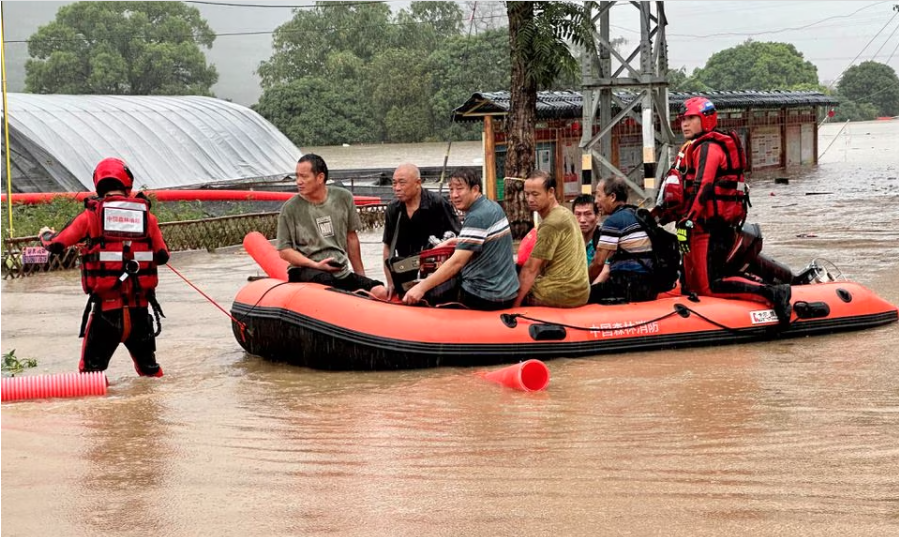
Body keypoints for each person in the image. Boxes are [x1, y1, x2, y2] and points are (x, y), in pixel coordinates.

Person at [39, 158, 169, 377]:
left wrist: (44, 235)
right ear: (127, 183)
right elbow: (163, 256)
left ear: (98, 183)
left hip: (106, 314)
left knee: (90, 377)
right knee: (150, 374)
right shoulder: (149, 217)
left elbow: (56, 244)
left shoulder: (90, 216)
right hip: (140, 313)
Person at [673, 96, 792, 325]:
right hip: (693, 225)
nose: (684, 124)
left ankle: (772, 293)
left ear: (706, 119)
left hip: (710, 227)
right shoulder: (692, 148)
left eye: (691, 118)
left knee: (711, 285)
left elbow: (703, 185)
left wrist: (688, 220)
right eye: (683, 120)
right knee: (690, 284)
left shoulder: (709, 147)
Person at [403, 168, 519, 310]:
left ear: (475, 189)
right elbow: (483, 238)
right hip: (506, 290)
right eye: (451, 190)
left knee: (425, 294)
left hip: (485, 295)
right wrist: (454, 241)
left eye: (459, 189)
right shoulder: (492, 207)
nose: (454, 195)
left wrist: (421, 287)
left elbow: (457, 263)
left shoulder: (476, 216)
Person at [277, 154, 388, 300]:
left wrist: (361, 276)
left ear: (320, 177)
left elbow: (351, 238)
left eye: (304, 177)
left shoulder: (343, 198)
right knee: (328, 283)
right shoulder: (290, 208)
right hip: (305, 270)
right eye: (297, 176)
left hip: (338, 270)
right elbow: (284, 251)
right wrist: (315, 265)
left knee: (379, 291)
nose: (299, 182)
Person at [382, 163, 460, 297]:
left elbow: (460, 241)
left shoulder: (438, 204)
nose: (397, 188)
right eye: (394, 183)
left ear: (418, 183)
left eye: (402, 183)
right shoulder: (393, 210)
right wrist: (390, 282)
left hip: (435, 275)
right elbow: (388, 247)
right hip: (406, 273)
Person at [514, 170, 590, 308]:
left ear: (550, 192)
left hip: (558, 293)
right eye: (527, 194)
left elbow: (531, 269)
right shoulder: (565, 213)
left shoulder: (551, 223)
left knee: (507, 288)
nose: (530, 199)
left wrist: (514, 306)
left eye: (535, 194)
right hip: (579, 292)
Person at [588, 177, 658, 303]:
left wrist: (584, 284)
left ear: (613, 197)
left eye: (598, 195)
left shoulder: (614, 221)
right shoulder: (636, 214)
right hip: (649, 284)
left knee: (580, 297)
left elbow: (598, 262)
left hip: (628, 285)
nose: (596, 201)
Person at [572, 193, 600, 267]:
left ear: (598, 216)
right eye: (578, 214)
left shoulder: (604, 240)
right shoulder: (568, 241)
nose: (582, 220)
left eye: (588, 214)